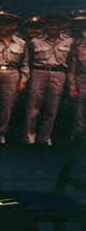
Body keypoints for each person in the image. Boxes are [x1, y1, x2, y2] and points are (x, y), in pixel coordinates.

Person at [21, 13, 76, 146]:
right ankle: (29, 138)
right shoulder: (35, 41)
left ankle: (44, 138)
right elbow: (27, 62)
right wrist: (24, 79)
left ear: (62, 26)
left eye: (57, 24)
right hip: (39, 73)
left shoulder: (69, 41)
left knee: (51, 109)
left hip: (58, 75)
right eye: (51, 24)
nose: (53, 27)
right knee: (33, 108)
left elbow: (71, 65)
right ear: (46, 25)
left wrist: (72, 86)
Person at [0, 11, 29, 146]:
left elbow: (25, 63)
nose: (2, 27)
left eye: (6, 24)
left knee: (6, 107)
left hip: (12, 74)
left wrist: (23, 80)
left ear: (13, 26)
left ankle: (0, 135)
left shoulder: (21, 43)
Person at [68, 13, 86, 137]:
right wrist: (72, 87)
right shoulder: (78, 44)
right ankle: (79, 134)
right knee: (79, 106)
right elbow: (72, 68)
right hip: (82, 77)